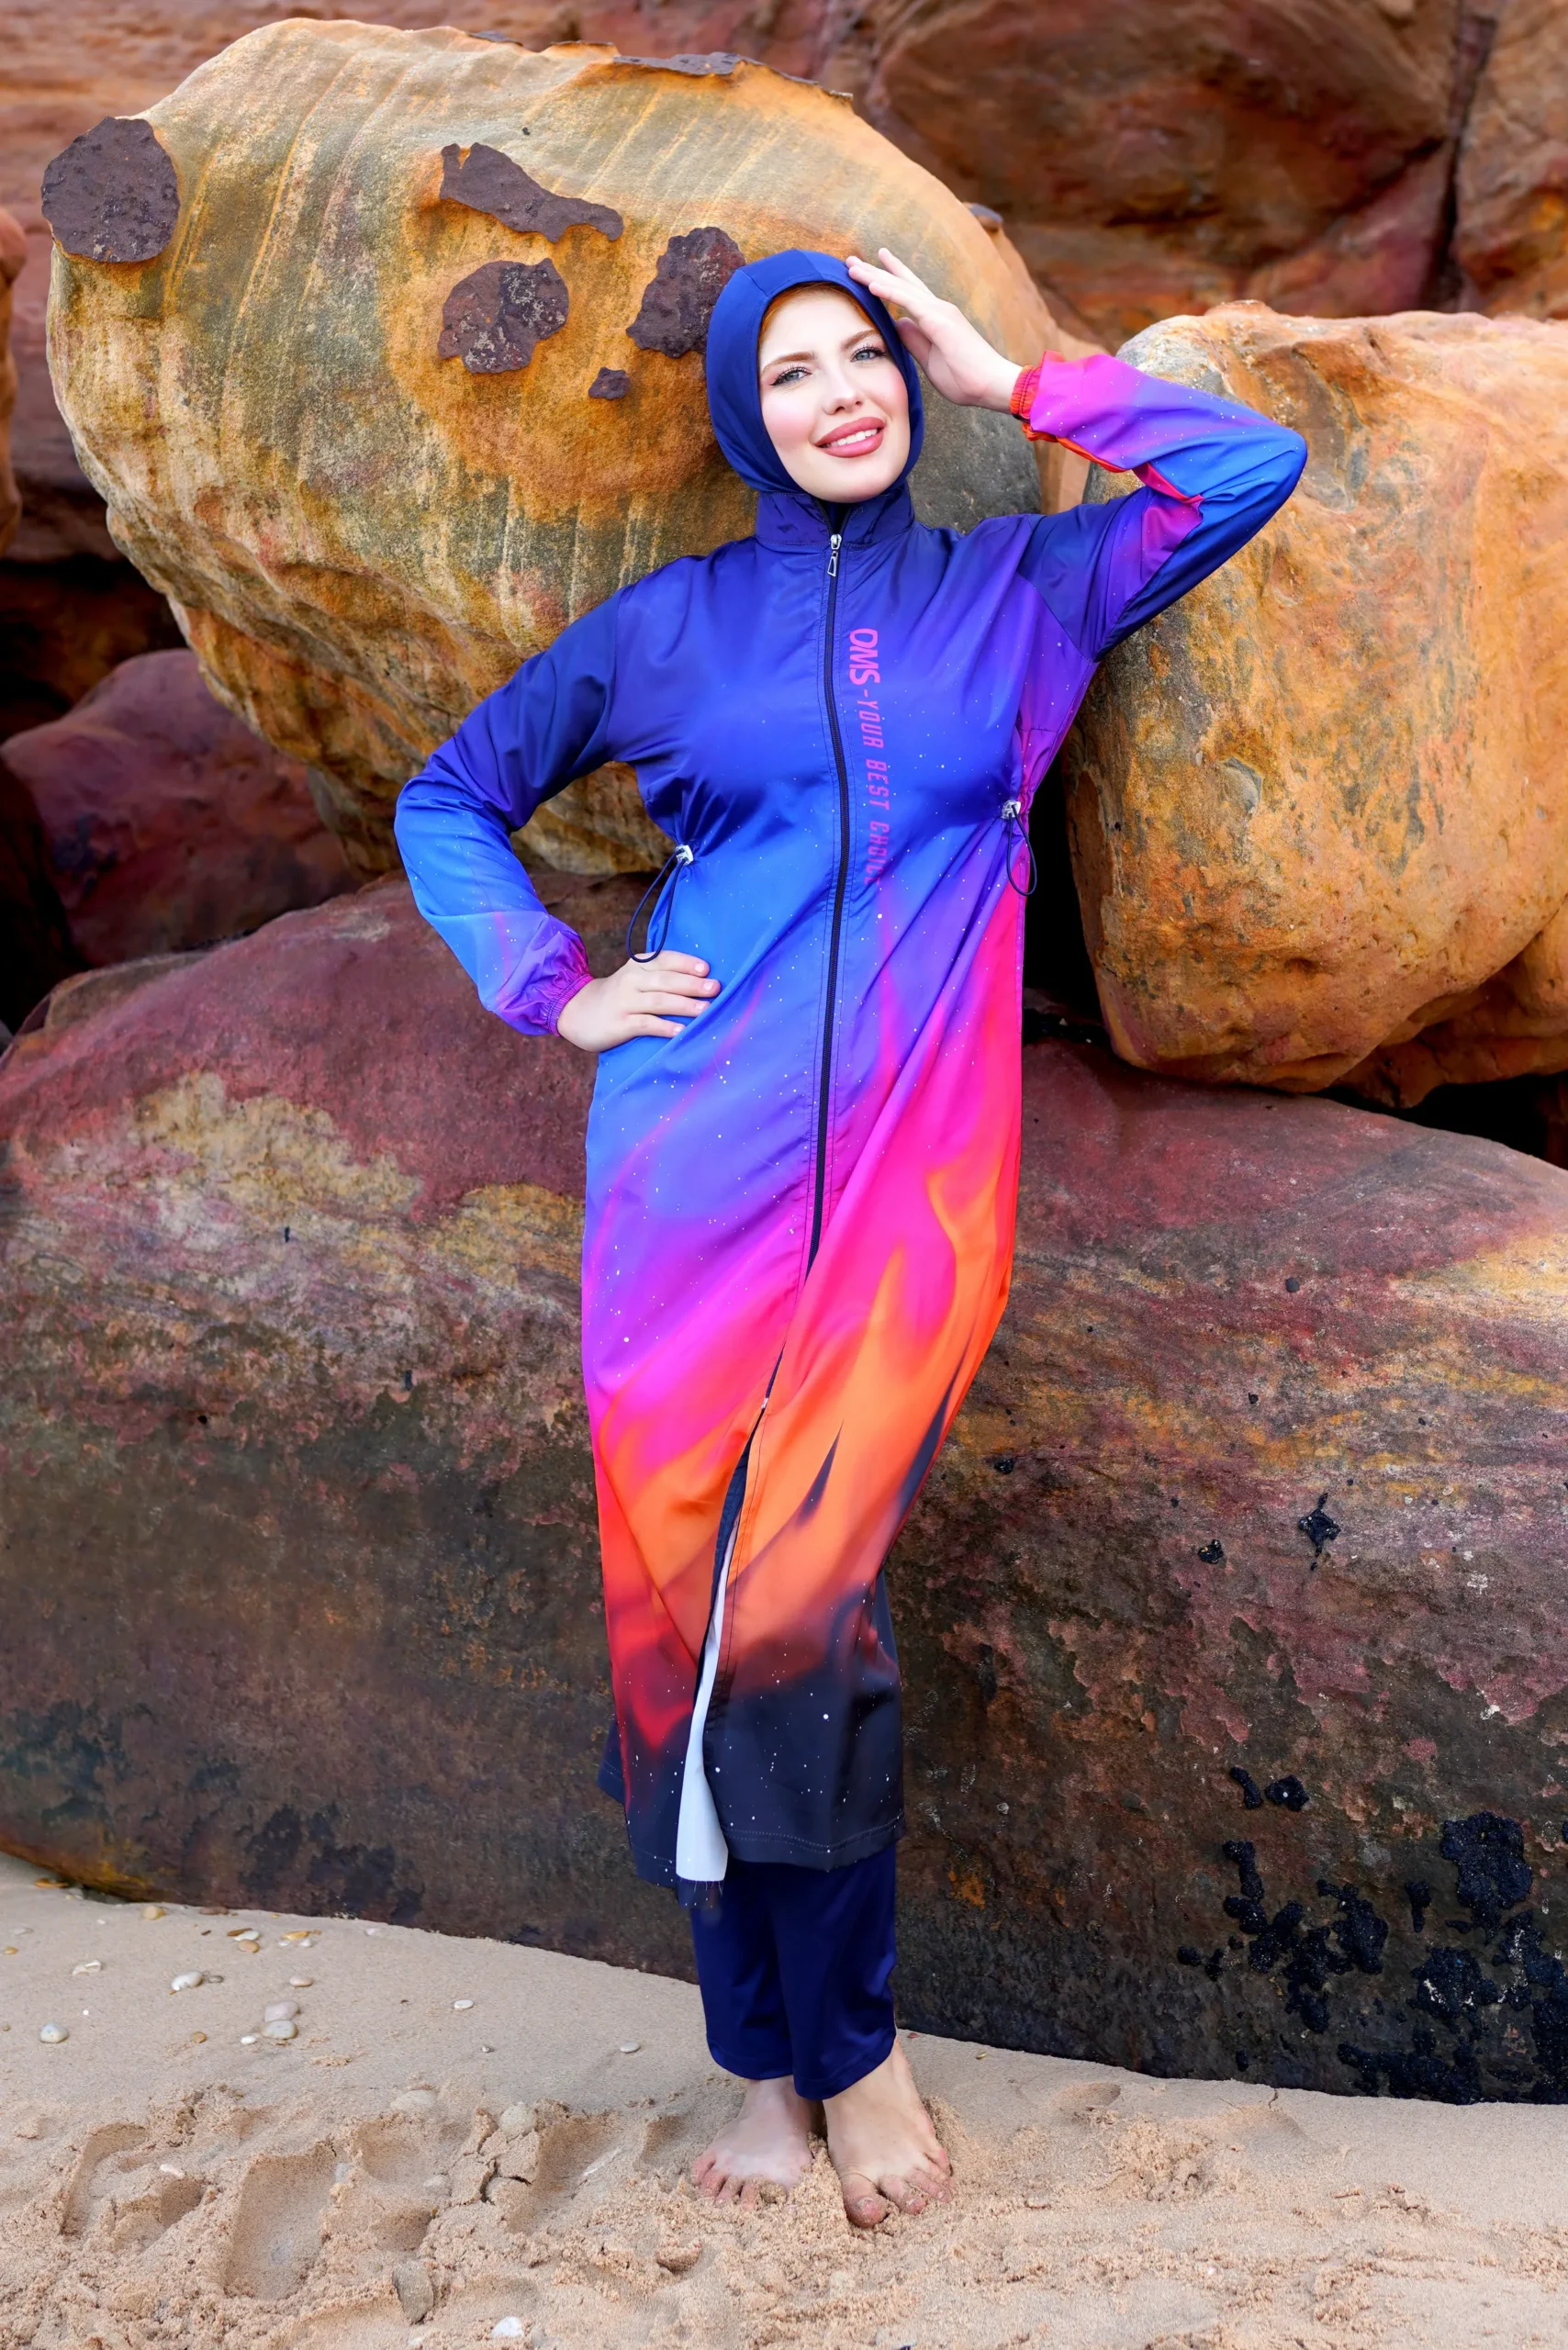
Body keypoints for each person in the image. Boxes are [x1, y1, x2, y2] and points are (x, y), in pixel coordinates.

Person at [395, 244, 1306, 2227]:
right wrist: (554, 988)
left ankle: (858, 2051)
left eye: (866, 355)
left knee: (804, 1604)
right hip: (686, 1166)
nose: (841, 393)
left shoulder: (1022, 593)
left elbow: (1248, 466)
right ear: (746, 413)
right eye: (794, 369)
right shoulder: (668, 629)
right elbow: (448, 797)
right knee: (676, 1617)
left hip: (915, 1184)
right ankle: (759, 2072)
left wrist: (1016, 378)